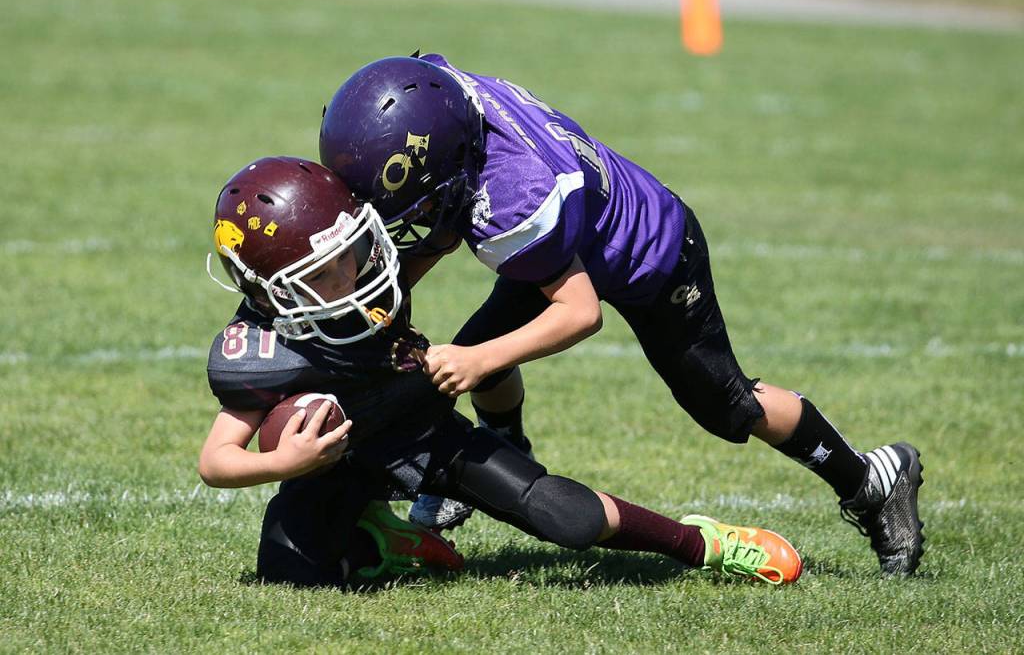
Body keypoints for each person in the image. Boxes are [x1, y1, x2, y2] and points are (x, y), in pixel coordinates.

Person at [317, 54, 925, 576]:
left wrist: (477, 359)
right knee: (486, 344)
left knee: (727, 405)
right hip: (579, 233)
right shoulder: (444, 96)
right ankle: (508, 451)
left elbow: (579, 313)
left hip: (653, 256)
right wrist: (388, 312)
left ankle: (871, 480)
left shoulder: (513, 203)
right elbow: (441, 226)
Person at [198, 156, 804, 587]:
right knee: (291, 576)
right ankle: (379, 538)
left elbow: (453, 231)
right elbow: (216, 459)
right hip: (336, 455)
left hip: (426, 430)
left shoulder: (370, 269)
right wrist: (283, 464)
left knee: (568, 519)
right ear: (272, 290)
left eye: (353, 250)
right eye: (325, 271)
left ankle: (704, 543)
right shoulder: (260, 348)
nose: (354, 275)